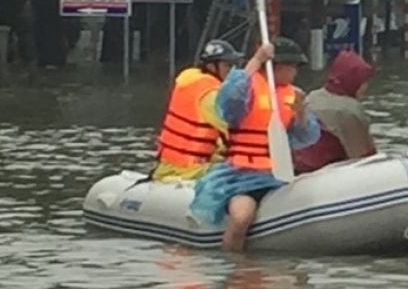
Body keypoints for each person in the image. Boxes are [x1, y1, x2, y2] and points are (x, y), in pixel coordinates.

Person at [189, 37, 321, 252]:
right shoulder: (246, 90)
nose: (295, 72)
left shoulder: (294, 95)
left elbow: (306, 137)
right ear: (275, 67)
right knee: (241, 218)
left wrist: (301, 113)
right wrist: (257, 60)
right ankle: (234, 270)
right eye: (291, 66)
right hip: (241, 177)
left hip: (278, 176)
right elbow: (228, 101)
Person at [152, 39, 248, 182]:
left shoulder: (190, 81)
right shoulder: (210, 95)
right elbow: (235, 129)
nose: (232, 70)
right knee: (246, 172)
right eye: (227, 65)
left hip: (170, 165)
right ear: (211, 66)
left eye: (234, 65)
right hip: (188, 170)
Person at [292, 49, 377, 174]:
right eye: (363, 82)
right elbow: (364, 158)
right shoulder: (350, 110)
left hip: (298, 168)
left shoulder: (313, 96)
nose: (365, 87)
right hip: (328, 171)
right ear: (354, 82)